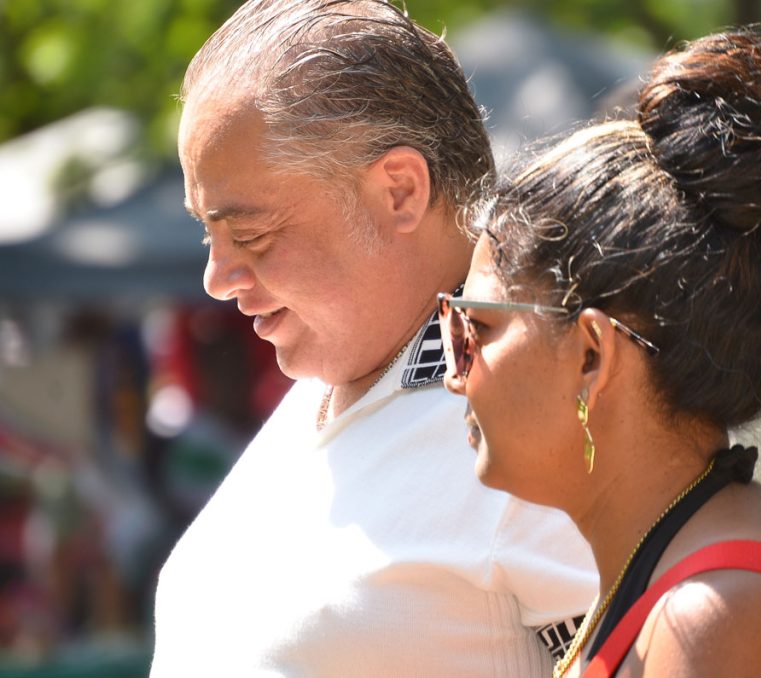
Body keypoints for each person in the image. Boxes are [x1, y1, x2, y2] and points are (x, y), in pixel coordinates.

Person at [150, 1, 596, 675]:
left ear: (400, 192)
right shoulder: (335, 375)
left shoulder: (541, 427)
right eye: (207, 232)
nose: (216, 278)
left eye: (250, 234)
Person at [440, 30, 761, 677]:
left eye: (475, 327)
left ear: (591, 355)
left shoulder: (713, 615)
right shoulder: (682, 571)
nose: (454, 375)